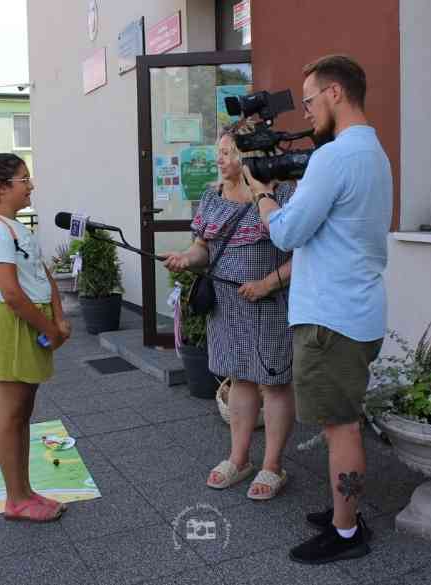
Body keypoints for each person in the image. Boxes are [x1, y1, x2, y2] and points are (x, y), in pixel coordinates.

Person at [247, 55, 393, 564]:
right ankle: (343, 511)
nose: (306, 111)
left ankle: (347, 533)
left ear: (334, 92)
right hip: (357, 309)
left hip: (332, 318)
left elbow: (287, 231)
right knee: (342, 422)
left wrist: (264, 196)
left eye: (309, 100)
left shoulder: (334, 158)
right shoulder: (373, 152)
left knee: (340, 426)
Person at [163, 130, 295, 501]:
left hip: (269, 303)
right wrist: (187, 258)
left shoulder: (281, 194)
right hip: (226, 304)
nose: (219, 159)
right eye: (218, 152)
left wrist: (269, 283)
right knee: (238, 378)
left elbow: (306, 254)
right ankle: (239, 459)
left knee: (275, 383)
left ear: (251, 157)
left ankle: (272, 466)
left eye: (228, 152)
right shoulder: (212, 196)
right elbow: (202, 246)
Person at [0, 154, 72, 522]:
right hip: (14, 326)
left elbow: (42, 275)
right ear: (1, 187)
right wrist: (49, 329)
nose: (31, 185)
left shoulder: (16, 227)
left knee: (24, 411)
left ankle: (24, 492)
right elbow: (11, 294)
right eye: (24, 179)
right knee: (11, 415)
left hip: (30, 323)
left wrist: (59, 317)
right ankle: (15, 498)